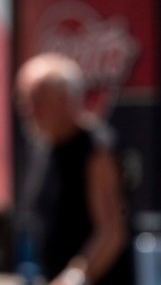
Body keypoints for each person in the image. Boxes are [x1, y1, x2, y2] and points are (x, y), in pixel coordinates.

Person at [14, 53, 134, 285]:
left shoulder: (96, 149)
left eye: (37, 101)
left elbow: (112, 230)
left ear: (65, 100)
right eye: (24, 102)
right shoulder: (44, 145)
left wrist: (76, 276)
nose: (29, 112)